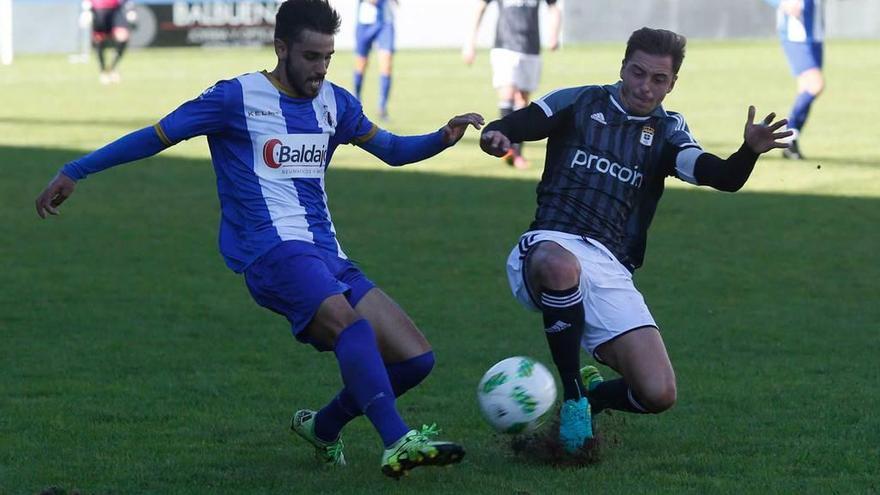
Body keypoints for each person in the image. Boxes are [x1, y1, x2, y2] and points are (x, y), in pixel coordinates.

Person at [35, 0, 484, 479]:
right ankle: (397, 442)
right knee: (351, 328)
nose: (321, 68)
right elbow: (155, 136)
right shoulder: (235, 98)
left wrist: (443, 136)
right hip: (270, 252)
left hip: (326, 252)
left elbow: (393, 150)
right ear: (281, 48)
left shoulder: (337, 103)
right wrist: (76, 170)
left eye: (328, 57)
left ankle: (324, 427)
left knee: (416, 359)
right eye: (311, 57)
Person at [479, 27, 791, 453]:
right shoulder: (582, 101)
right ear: (623, 67)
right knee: (559, 264)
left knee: (658, 393)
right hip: (549, 241)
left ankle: (589, 400)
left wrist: (748, 151)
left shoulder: (667, 130)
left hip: (610, 264)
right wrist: (495, 135)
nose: (645, 86)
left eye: (658, 79)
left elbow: (720, 176)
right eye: (638, 72)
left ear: (672, 83)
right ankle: (572, 398)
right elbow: (519, 123)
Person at [463, 0, 561, 170]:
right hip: (504, 46)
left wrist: (554, 34)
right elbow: (480, 7)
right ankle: (508, 149)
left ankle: (516, 150)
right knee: (507, 93)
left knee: (522, 100)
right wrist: (470, 42)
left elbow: (554, 8)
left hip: (530, 48)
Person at [765, 0, 825, 160]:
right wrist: (782, 3)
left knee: (805, 88)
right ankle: (790, 129)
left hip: (815, 33)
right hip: (795, 34)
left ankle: (790, 142)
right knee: (816, 84)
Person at [353, 0, 397, 120]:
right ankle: (355, 103)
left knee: (386, 65)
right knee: (361, 66)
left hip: (385, 23)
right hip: (364, 23)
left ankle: (382, 108)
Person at [89, 0, 135, 84]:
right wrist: (86, 8)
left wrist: (130, 9)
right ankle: (103, 71)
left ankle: (112, 68)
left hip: (115, 9)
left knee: (123, 36)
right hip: (99, 9)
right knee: (99, 40)